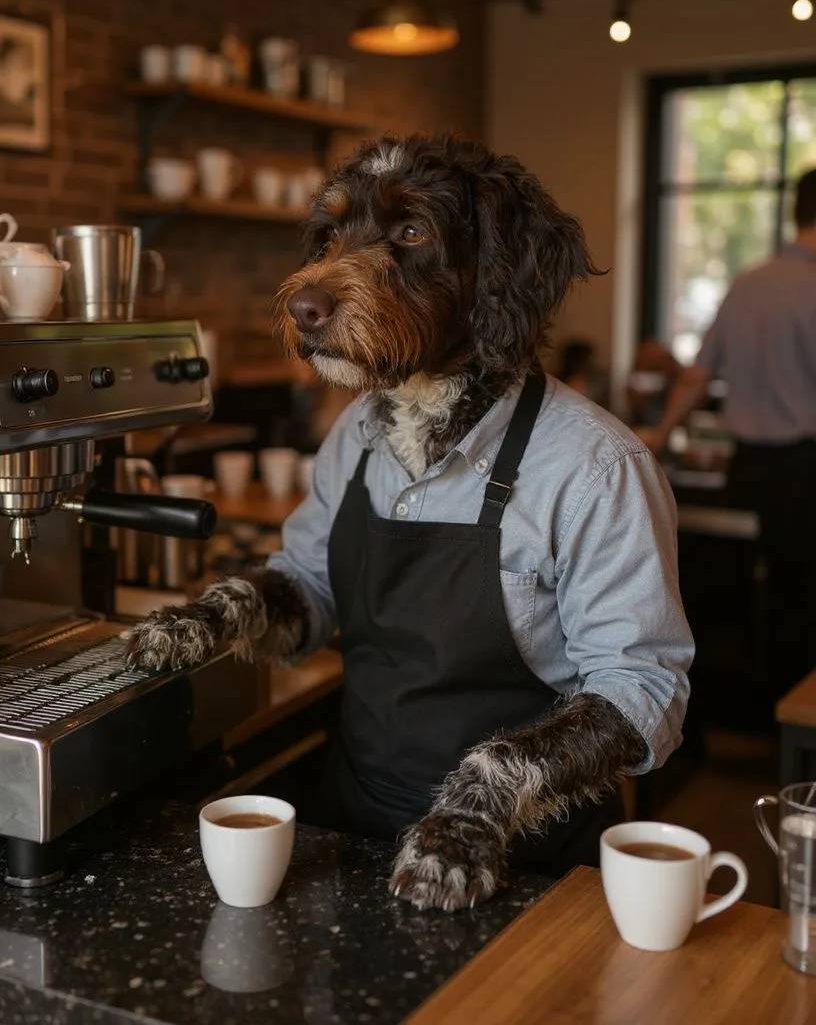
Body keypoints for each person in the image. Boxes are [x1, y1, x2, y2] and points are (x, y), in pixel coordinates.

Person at [127, 136, 693, 912]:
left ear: (496, 275)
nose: (316, 287)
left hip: (529, 869)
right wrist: (221, 616)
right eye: (335, 235)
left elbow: (642, 692)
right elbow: (309, 593)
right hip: (350, 833)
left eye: (410, 234)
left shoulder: (594, 468)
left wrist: (482, 799)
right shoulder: (356, 437)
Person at [642, 168, 816, 693]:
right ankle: (794, 737)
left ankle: (756, 719)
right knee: (801, 603)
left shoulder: (748, 283)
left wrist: (661, 431)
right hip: (806, 472)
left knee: (744, 597)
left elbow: (698, 374)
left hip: (748, 470)